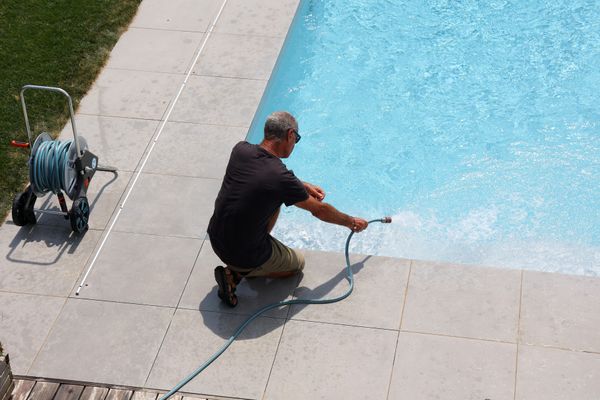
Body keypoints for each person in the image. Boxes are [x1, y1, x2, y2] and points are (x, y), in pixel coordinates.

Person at [207, 111, 368, 307]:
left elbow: (265, 178)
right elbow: (320, 210)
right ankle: (234, 274)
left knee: (274, 198)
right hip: (242, 253)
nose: (295, 143)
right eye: (296, 139)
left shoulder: (241, 150)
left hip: (216, 238)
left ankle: (242, 264)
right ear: (290, 135)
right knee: (297, 264)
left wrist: (302, 185)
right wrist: (351, 222)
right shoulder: (279, 179)